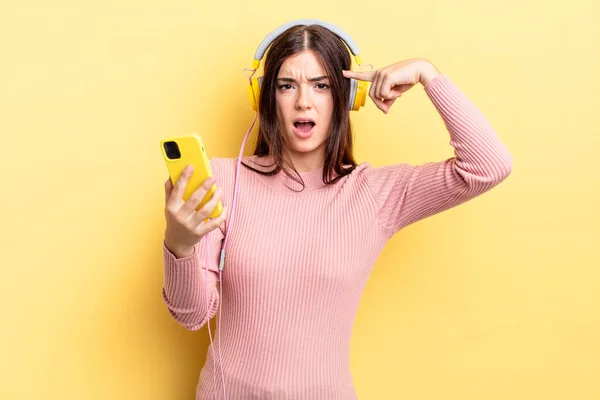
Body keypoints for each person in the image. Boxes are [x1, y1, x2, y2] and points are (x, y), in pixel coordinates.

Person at [161, 21, 513, 400]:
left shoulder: (376, 194)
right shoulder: (222, 180)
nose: (303, 101)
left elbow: (489, 166)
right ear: (265, 97)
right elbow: (192, 315)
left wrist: (428, 74)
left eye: (321, 84)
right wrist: (179, 245)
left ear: (345, 98)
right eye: (286, 85)